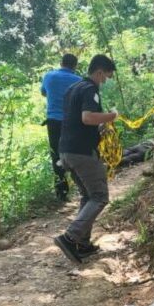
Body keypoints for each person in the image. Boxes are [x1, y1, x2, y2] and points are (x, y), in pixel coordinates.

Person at [54, 54, 118, 262]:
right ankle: (71, 237)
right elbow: (87, 117)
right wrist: (111, 116)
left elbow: (77, 121)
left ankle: (82, 243)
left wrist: (101, 127)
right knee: (99, 196)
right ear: (99, 72)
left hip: (66, 151)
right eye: (106, 77)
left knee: (87, 196)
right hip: (82, 153)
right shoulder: (90, 89)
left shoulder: (73, 88)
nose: (105, 81)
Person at [40, 53, 82, 201]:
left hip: (53, 122)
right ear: (75, 66)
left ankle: (62, 193)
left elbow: (44, 93)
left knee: (56, 155)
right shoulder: (79, 81)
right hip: (72, 123)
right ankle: (83, 187)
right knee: (75, 153)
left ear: (61, 63)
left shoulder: (49, 76)